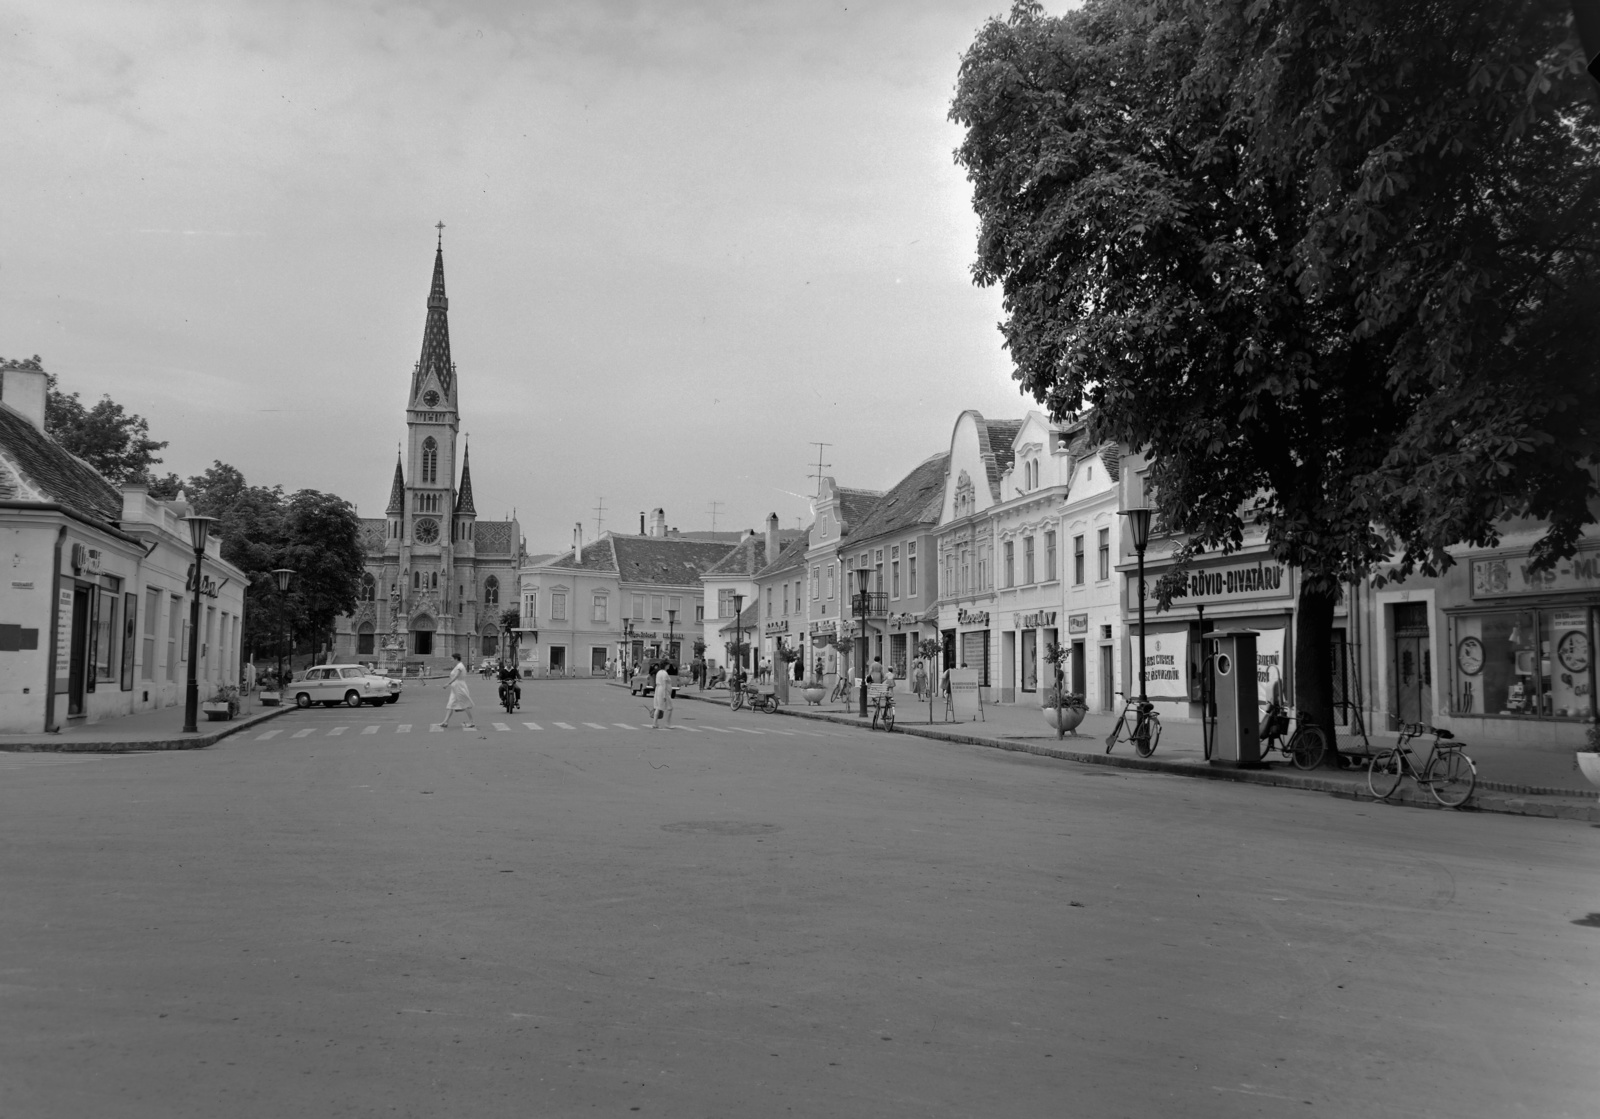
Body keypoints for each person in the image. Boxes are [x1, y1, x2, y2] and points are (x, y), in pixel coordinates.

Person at [439, 652, 477, 729]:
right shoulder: (457, 666)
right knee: (450, 704)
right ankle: (445, 722)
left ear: (456, 659)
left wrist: (447, 684)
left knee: (464, 704)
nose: (451, 660)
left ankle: (471, 721)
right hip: (455, 688)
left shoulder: (460, 666)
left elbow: (456, 676)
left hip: (459, 687)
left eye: (452, 658)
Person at [651, 659, 673, 728]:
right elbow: (664, 685)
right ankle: (667, 723)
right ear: (666, 665)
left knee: (658, 707)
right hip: (664, 691)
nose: (669, 666)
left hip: (658, 690)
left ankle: (655, 723)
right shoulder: (664, 673)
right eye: (668, 664)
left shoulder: (659, 672)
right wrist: (664, 696)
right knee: (670, 707)